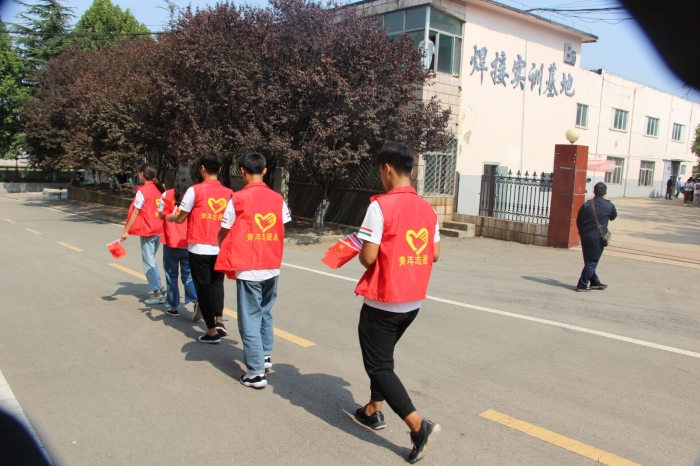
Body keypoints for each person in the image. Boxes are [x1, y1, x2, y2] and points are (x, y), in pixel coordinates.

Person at [353, 142, 441, 463]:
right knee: (384, 356)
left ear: (386, 168)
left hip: (384, 301)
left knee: (378, 365)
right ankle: (373, 409)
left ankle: (419, 427)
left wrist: (361, 248)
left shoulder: (380, 206)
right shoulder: (428, 209)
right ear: (412, 170)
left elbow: (368, 258)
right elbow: (434, 254)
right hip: (412, 302)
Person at [215, 153, 292, 389]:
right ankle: (265, 354)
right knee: (265, 311)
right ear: (265, 170)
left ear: (242, 170)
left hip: (248, 266)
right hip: (271, 264)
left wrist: (222, 244)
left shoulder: (237, 198)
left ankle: (256, 372)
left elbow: (224, 229)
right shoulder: (278, 198)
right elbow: (282, 226)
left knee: (249, 317)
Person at [167, 152, 233, 343]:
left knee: (203, 287)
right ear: (219, 169)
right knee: (217, 284)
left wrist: (171, 217)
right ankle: (219, 320)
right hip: (220, 247)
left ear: (202, 168)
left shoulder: (194, 191)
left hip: (199, 247)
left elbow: (181, 217)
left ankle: (211, 331)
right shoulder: (229, 193)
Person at [120, 163, 165, 305]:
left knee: (148, 262)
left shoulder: (143, 191)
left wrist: (126, 230)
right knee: (151, 259)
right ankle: (159, 285)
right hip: (159, 228)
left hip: (149, 229)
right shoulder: (160, 188)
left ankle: (156, 293)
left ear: (142, 174)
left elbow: (135, 211)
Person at [157, 163, 198, 317]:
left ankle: (173, 306)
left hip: (171, 241)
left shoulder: (167, 195)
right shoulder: (194, 195)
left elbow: (161, 216)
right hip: (189, 242)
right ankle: (196, 299)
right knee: (188, 275)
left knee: (171, 274)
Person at [576, 182, 617, 292]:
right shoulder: (609, 206)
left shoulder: (586, 205)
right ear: (605, 192)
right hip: (597, 238)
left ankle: (595, 282)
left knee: (588, 261)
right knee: (592, 262)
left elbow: (578, 220)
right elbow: (613, 217)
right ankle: (582, 285)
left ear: (594, 192)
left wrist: (581, 233)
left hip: (585, 236)